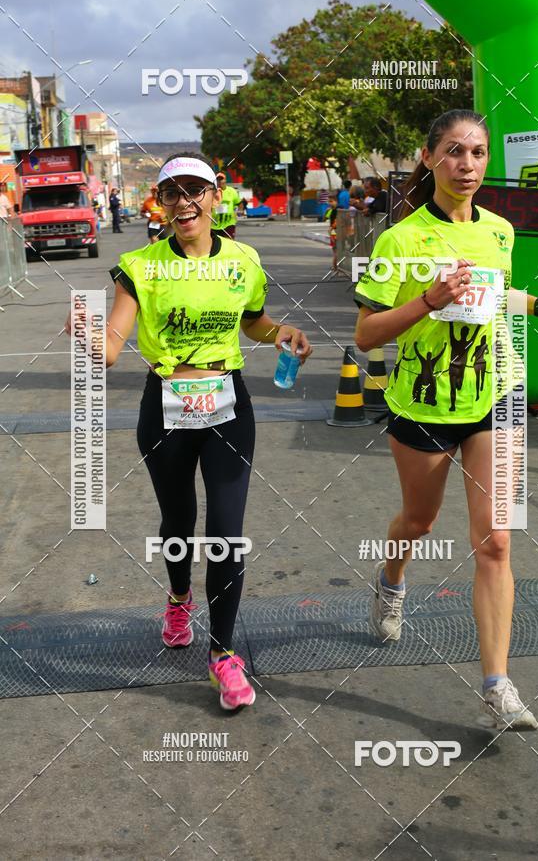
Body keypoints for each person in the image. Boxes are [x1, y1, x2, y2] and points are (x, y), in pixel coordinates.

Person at [354, 108, 538, 730]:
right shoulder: (399, 240)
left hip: (495, 396)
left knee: (497, 540)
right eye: (454, 151)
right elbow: (367, 334)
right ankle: (391, 580)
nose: (467, 164)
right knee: (419, 521)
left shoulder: (501, 231)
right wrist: (429, 300)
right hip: (425, 403)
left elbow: (494, 294)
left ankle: (496, 685)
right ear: (429, 158)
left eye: (478, 152)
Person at [65, 152, 312, 711]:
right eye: (172, 193)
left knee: (226, 530)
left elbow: (252, 320)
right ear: (160, 202)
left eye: (194, 190)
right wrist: (87, 333)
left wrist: (282, 332)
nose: (184, 202)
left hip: (227, 406)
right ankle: (179, 600)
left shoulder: (244, 260)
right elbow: (111, 347)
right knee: (179, 521)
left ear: (215, 195)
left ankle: (223, 654)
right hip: (165, 409)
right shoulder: (140, 266)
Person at [211, 171, 241, 239]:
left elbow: (239, 203)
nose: (219, 181)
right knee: (214, 244)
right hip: (214, 225)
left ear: (225, 180)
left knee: (229, 243)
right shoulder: (211, 192)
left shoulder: (232, 191)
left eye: (221, 179)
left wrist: (238, 213)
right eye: (218, 179)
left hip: (229, 224)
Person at [324, 195, 338, 271]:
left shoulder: (337, 210)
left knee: (336, 250)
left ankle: (335, 266)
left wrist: (331, 228)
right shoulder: (331, 210)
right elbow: (325, 219)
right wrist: (326, 212)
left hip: (336, 231)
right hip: (332, 232)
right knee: (334, 250)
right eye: (329, 201)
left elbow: (337, 221)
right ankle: (335, 266)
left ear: (336, 201)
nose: (330, 203)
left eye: (331, 201)